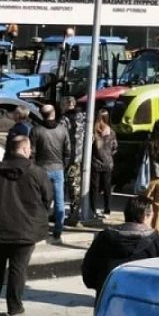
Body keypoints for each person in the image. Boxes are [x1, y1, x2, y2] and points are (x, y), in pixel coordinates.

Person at [0, 135, 52, 316]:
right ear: (25, 150)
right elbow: (47, 198)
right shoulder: (37, 172)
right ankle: (14, 307)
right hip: (26, 228)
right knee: (18, 269)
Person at [81, 195, 159, 297]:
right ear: (147, 216)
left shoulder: (104, 238)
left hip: (109, 298)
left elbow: (89, 271)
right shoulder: (158, 243)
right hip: (144, 301)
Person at [29, 103, 70, 244]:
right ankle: (58, 230)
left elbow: (32, 153)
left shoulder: (36, 130)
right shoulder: (62, 130)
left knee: (41, 201)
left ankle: (41, 228)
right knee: (59, 201)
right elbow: (68, 150)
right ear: (54, 113)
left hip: (42, 169)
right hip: (58, 168)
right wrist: (63, 164)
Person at [60, 95, 86, 225]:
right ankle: (74, 213)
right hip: (79, 157)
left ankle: (65, 214)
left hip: (67, 157)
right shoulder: (84, 118)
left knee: (63, 186)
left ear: (66, 105)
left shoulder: (64, 120)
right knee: (75, 186)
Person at [90, 108, 117, 218]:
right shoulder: (112, 132)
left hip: (95, 163)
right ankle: (107, 209)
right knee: (107, 187)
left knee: (94, 188)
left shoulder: (93, 132)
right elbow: (115, 148)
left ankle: (93, 209)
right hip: (108, 163)